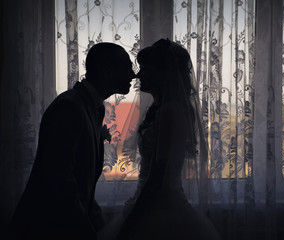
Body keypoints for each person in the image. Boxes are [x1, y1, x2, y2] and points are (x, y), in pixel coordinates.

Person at [7, 42, 136, 240]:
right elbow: (60, 182)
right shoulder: (69, 108)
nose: (133, 74)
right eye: (128, 67)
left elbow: (83, 182)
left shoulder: (91, 107)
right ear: (108, 71)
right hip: (45, 229)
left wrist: (95, 221)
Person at [100, 39, 222, 240]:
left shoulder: (171, 112)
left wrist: (133, 218)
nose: (138, 75)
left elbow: (158, 176)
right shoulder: (159, 109)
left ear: (163, 74)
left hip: (162, 210)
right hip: (153, 204)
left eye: (146, 69)